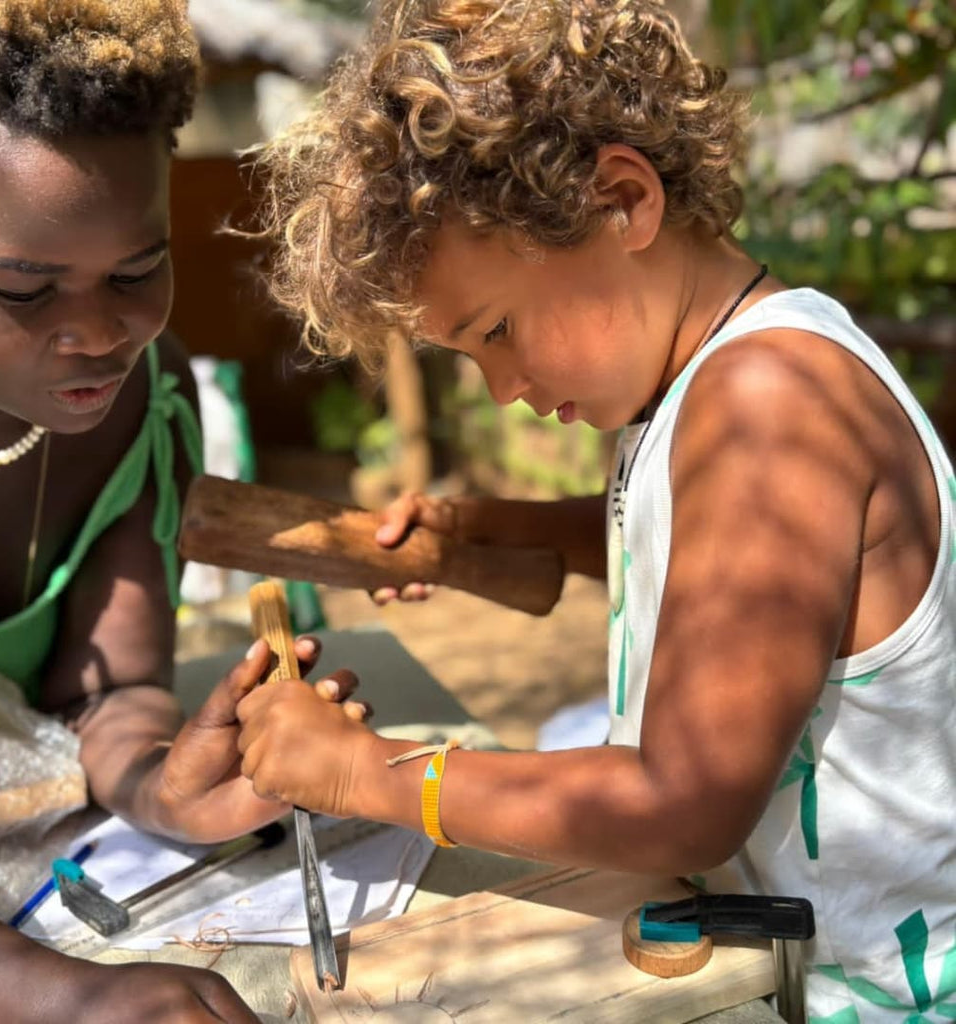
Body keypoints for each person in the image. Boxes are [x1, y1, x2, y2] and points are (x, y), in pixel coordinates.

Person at [234, 1, 956, 1021]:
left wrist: (373, 772)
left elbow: (682, 802)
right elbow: (705, 565)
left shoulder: (767, 405)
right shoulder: (702, 381)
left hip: (870, 996)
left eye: (498, 330)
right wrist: (487, 534)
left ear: (621, 200)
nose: (500, 386)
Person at [0, 3, 363, 1021]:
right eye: (21, 289)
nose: (96, 332)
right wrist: (53, 996)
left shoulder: (143, 406)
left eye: (138, 271)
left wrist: (165, 782)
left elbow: (106, 686)